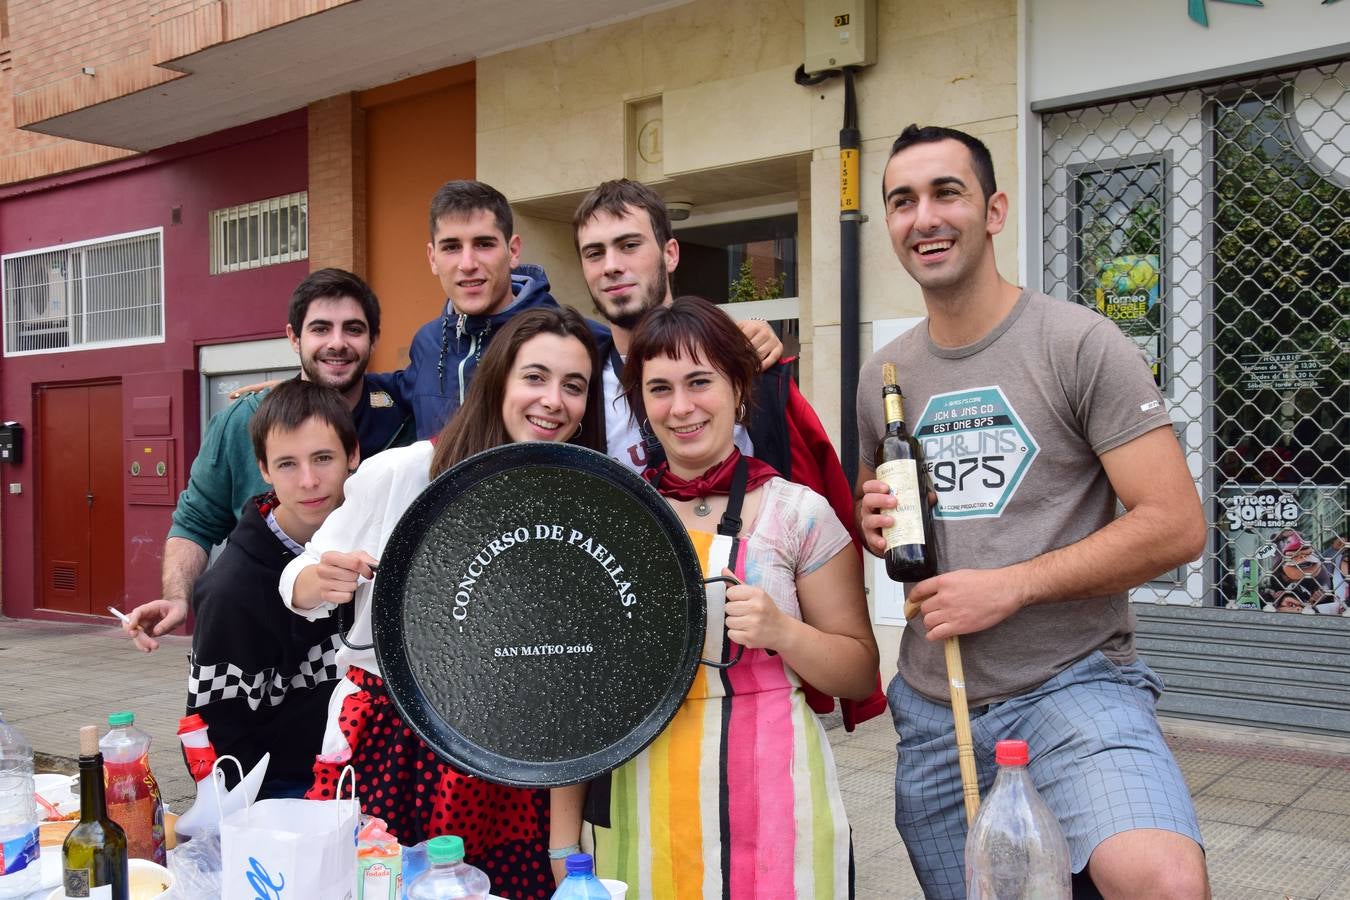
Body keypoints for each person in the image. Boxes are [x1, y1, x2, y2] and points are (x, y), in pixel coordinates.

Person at [855, 125, 1210, 898]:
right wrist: (875, 523)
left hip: (1072, 686)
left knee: (1164, 881)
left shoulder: (1078, 342)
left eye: (947, 192)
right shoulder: (884, 374)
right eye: (902, 201)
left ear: (994, 210)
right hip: (933, 707)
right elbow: (887, 519)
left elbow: (1176, 525)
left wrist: (1010, 585)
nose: (924, 217)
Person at [551, 296, 879, 898]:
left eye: (700, 381)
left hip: (779, 804)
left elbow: (859, 670)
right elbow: (579, 696)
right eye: (659, 389)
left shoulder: (797, 512)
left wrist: (783, 631)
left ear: (738, 386)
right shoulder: (610, 518)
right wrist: (562, 842)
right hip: (641, 804)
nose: (681, 408)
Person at [280, 307, 604, 900]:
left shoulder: (576, 502)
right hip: (392, 745)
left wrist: (564, 843)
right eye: (535, 377)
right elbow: (300, 571)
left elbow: (568, 678)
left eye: (573, 386)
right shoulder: (406, 472)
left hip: (507, 755)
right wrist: (317, 580)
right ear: (498, 380)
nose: (553, 400)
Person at [572, 179, 886, 727]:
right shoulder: (573, 388)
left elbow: (817, 512)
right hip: (633, 695)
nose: (612, 266)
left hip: (762, 689)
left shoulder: (751, 365)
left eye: (629, 245)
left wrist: (791, 631)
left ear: (670, 252)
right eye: (594, 252)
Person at [123, 268, 412, 652]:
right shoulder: (241, 422)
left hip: (370, 646)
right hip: (268, 641)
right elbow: (195, 521)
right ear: (294, 337)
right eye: (321, 329)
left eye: (353, 330)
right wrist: (177, 597)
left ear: (374, 338)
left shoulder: (403, 417)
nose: (337, 343)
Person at [186, 380, 357, 798]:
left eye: (323, 458)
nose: (308, 481)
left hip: (372, 778)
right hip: (287, 793)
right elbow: (216, 738)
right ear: (263, 469)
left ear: (353, 455)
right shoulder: (232, 589)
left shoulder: (377, 540)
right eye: (287, 464)